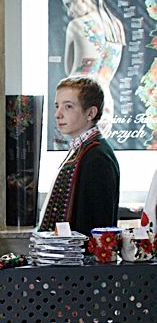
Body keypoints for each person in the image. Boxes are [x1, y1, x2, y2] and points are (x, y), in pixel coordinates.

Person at [39, 77, 120, 237]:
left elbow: (97, 224)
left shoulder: (97, 156)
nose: (58, 114)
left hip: (82, 250)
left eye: (68, 106)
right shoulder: (82, 150)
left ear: (90, 113)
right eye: (57, 106)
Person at [59, 0, 125, 138]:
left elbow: (69, 71)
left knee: (75, 152)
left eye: (69, 4)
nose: (69, 12)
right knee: (97, 148)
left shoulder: (75, 25)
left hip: (77, 103)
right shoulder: (116, 26)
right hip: (105, 104)